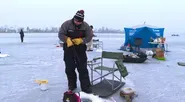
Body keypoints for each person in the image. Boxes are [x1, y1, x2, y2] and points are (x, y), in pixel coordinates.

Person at [58, 10, 93, 93]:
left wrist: (82, 40)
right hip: (69, 49)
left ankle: (86, 87)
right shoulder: (66, 24)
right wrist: (66, 39)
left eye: (79, 22)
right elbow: (60, 34)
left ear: (82, 21)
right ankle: (72, 86)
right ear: (74, 18)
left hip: (80, 49)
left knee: (82, 68)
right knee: (69, 68)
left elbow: (89, 36)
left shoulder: (86, 26)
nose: (77, 23)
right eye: (76, 21)